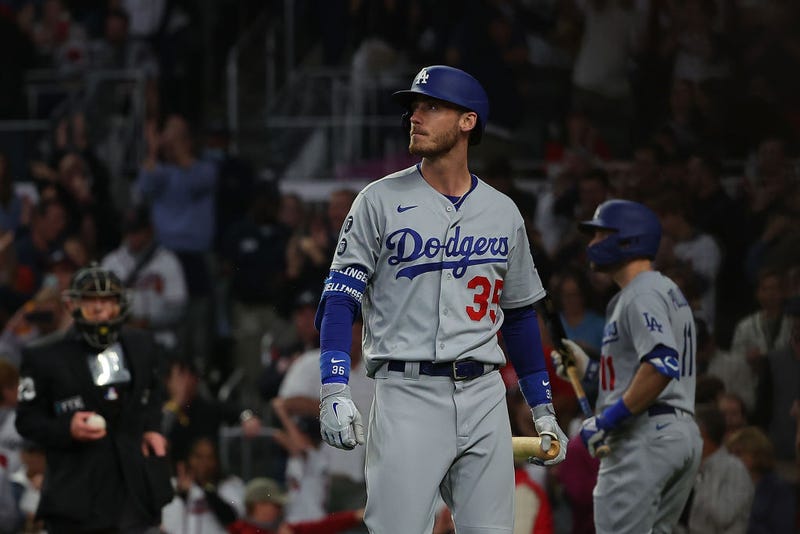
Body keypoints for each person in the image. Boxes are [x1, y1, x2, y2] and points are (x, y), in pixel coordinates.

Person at [315, 65, 568, 533]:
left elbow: (517, 317)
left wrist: (543, 407)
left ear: (468, 121)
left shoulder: (503, 211)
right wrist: (334, 386)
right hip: (406, 392)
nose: (416, 115)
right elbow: (339, 301)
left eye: (431, 106)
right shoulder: (378, 200)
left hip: (485, 393)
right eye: (414, 106)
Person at [552, 199, 702, 533]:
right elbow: (643, 372)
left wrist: (607, 420)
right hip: (678, 433)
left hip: (644, 436)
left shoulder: (640, 294)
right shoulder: (664, 289)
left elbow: (662, 365)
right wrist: (587, 368)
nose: (592, 245)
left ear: (628, 239)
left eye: (599, 235)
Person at [15, 264, 172, 532]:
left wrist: (152, 429)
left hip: (134, 492)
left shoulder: (143, 345)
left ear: (120, 304)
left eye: (107, 300)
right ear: (71, 305)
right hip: (76, 499)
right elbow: (26, 421)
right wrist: (67, 428)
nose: (100, 309)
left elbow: (153, 392)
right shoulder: (43, 356)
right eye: (90, 301)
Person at [227, 477, 365, 534]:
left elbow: (318, 527)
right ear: (258, 505)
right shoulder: (239, 530)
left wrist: (354, 516)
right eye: (275, 505)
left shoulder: (278, 528)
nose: (279, 510)